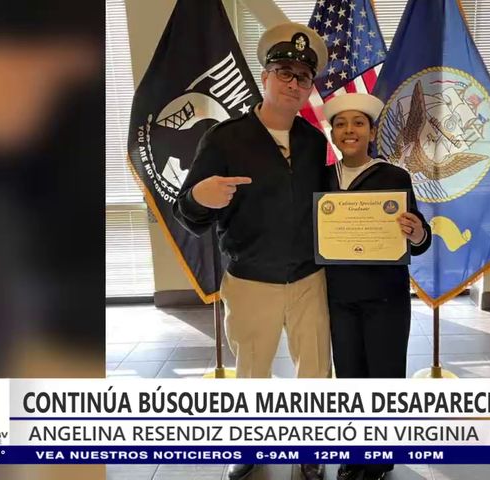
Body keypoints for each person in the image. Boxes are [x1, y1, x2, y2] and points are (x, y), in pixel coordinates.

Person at [173, 22, 330, 480]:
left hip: (309, 278)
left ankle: (311, 449)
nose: (293, 83)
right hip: (250, 280)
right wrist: (199, 197)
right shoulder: (224, 139)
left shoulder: (313, 142)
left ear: (309, 87)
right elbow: (187, 212)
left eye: (303, 77)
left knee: (315, 371)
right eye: (284, 72)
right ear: (265, 77)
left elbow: (328, 208)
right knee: (252, 371)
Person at [322, 94, 432, 480]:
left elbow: (419, 235)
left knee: (385, 376)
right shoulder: (321, 178)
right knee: (349, 376)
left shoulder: (394, 177)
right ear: (332, 134)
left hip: (386, 297)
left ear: (371, 133)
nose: (349, 130)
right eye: (340, 124)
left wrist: (417, 232)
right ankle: (354, 452)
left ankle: (380, 456)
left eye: (358, 123)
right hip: (339, 297)